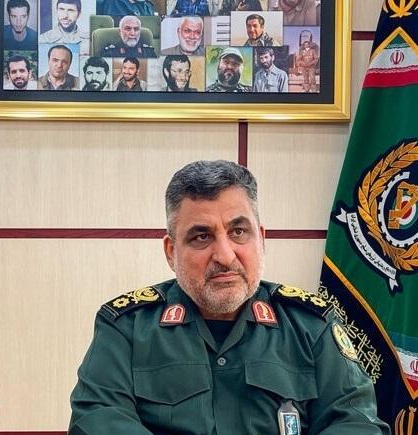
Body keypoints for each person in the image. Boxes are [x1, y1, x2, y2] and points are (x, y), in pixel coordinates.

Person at [68, 160, 390, 435]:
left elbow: (355, 423)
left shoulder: (312, 326)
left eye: (238, 232)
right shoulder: (126, 328)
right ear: (171, 251)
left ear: (261, 239)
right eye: (201, 236)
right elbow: (96, 419)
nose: (224, 255)